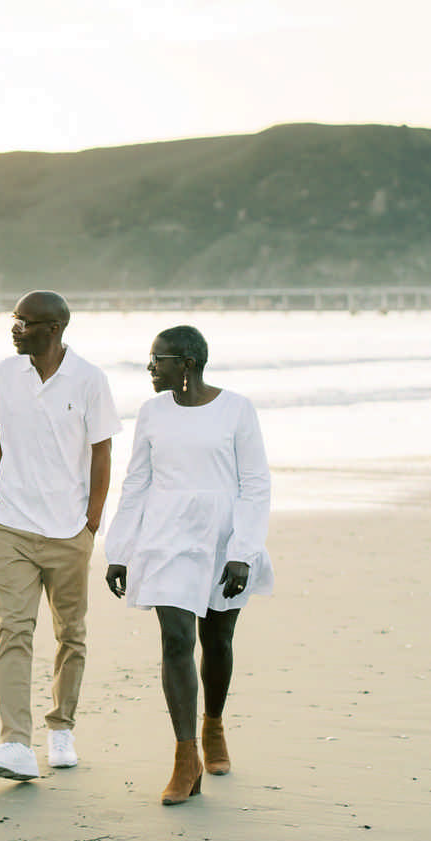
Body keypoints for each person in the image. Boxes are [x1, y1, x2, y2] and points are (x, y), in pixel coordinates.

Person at [104, 325, 273, 805]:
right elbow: (136, 482)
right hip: (166, 534)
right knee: (176, 639)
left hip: (223, 535)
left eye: (159, 359)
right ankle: (186, 757)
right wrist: (120, 549)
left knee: (216, 637)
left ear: (189, 363)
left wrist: (244, 550)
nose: (151, 368)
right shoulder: (152, 412)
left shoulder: (237, 409)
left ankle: (213, 725)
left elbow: (256, 484)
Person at [0, 291, 121, 781]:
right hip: (12, 525)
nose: (14, 328)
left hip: (67, 531)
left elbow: (101, 453)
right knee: (13, 630)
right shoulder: (4, 373)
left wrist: (91, 521)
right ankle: (15, 742)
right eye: (14, 320)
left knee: (70, 634)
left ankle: (61, 728)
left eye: (24, 322)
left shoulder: (89, 380)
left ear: (54, 329)